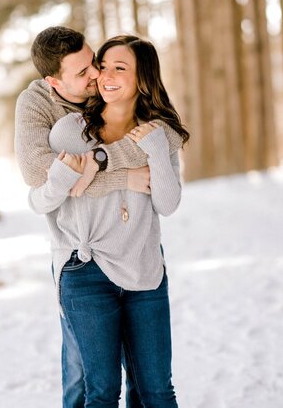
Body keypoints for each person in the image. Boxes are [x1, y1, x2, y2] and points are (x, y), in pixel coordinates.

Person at [15, 26, 182, 407]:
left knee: (150, 385)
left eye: (98, 63)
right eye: (88, 70)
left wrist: (111, 160)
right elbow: (44, 179)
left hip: (140, 263)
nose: (98, 75)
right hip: (80, 259)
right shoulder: (51, 115)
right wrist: (122, 175)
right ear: (54, 80)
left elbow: (167, 197)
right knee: (89, 383)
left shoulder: (153, 127)